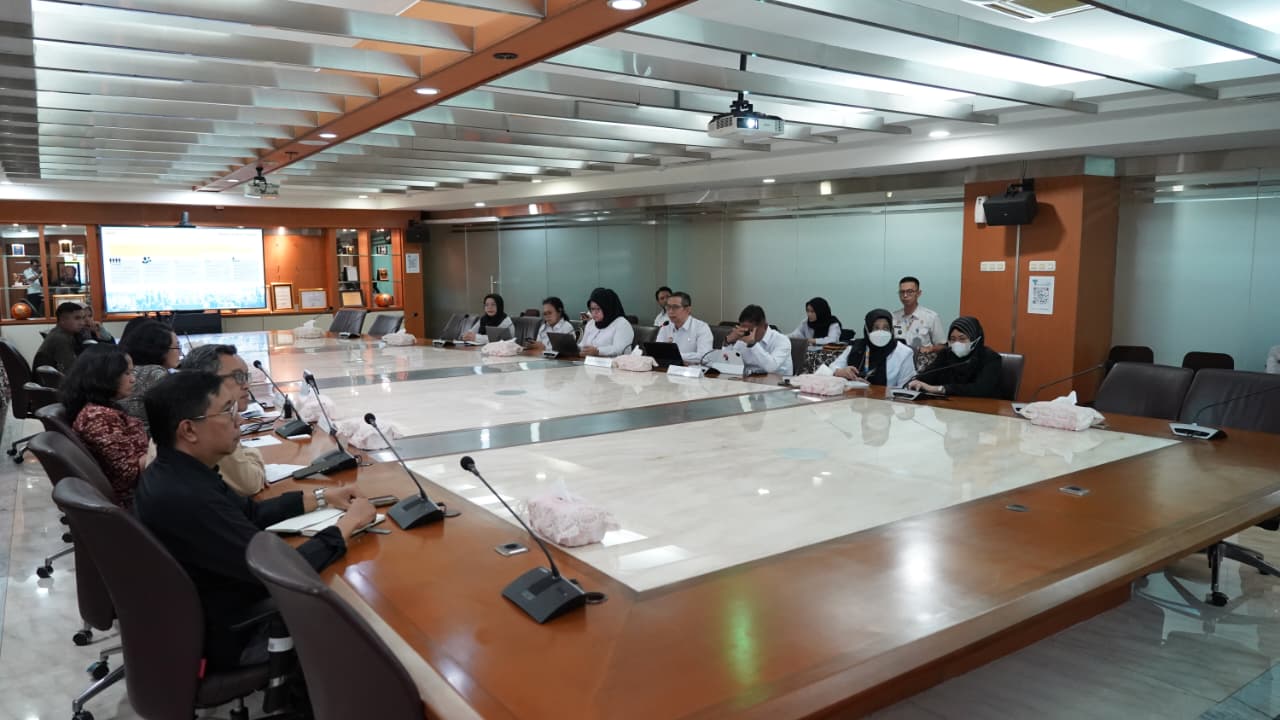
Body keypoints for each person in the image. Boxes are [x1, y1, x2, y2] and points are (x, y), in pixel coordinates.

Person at [133, 371, 374, 671]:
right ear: (189, 430)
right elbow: (285, 573)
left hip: (206, 613)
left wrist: (324, 496)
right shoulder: (189, 498)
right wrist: (348, 524)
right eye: (227, 411)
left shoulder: (178, 471)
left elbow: (251, 513)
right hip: (233, 636)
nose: (238, 419)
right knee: (364, 620)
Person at [62, 345, 149, 508]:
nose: (133, 379)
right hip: (136, 498)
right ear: (105, 376)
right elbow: (131, 473)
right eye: (126, 373)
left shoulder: (99, 409)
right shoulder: (99, 417)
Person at [180, 344, 266, 496]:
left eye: (246, 376)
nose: (246, 385)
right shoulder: (207, 425)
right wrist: (254, 453)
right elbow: (250, 483)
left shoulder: (185, 411)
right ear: (205, 381)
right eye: (238, 377)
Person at [907, 316, 1003, 397]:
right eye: (953, 339)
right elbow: (927, 376)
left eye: (962, 339)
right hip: (946, 407)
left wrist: (941, 389)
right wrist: (917, 382)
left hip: (981, 408)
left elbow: (982, 389)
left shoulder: (990, 358)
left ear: (975, 339)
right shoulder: (946, 354)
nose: (957, 343)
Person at [120, 319, 182, 429]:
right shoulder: (156, 373)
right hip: (148, 436)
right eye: (177, 347)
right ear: (160, 350)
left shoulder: (132, 369)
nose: (180, 352)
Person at [831, 309, 915, 387]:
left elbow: (906, 387)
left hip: (887, 397)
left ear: (891, 330)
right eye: (876, 328)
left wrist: (871, 389)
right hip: (853, 395)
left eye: (885, 328)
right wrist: (840, 372)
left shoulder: (903, 352)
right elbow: (831, 369)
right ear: (868, 330)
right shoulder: (855, 347)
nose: (881, 332)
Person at [724, 304, 793, 376]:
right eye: (744, 330)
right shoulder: (743, 337)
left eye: (751, 330)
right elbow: (728, 365)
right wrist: (727, 341)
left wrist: (753, 345)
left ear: (765, 326)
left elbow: (771, 368)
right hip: (749, 380)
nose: (748, 334)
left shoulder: (782, 340)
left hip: (777, 380)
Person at [892, 276, 947, 365]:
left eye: (910, 291)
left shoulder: (931, 317)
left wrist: (930, 349)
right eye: (902, 292)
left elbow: (942, 346)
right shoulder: (893, 317)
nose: (905, 295)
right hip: (898, 364)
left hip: (922, 365)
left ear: (918, 293)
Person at [655, 291, 713, 364]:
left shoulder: (701, 327)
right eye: (668, 307)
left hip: (692, 369)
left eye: (675, 307)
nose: (670, 311)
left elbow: (705, 357)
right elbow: (658, 352)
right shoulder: (666, 326)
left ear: (688, 310)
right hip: (668, 368)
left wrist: (675, 356)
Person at [32, 301, 87, 373]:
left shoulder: (65, 333)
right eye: (77, 318)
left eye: (83, 318)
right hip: (51, 380)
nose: (82, 323)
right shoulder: (60, 338)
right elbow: (71, 371)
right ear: (62, 320)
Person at [580, 287, 635, 357]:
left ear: (607, 308)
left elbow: (619, 349)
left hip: (614, 363)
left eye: (598, 309)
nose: (594, 312)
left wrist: (598, 351)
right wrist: (575, 348)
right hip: (589, 361)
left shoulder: (622, 324)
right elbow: (583, 344)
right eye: (592, 309)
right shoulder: (591, 323)